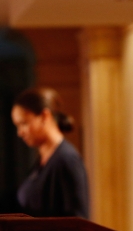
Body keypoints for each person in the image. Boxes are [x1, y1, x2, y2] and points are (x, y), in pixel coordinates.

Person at [11, 87, 89, 218]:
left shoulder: (67, 159)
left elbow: (78, 221)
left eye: (23, 123)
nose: (20, 133)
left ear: (44, 116)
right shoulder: (42, 160)